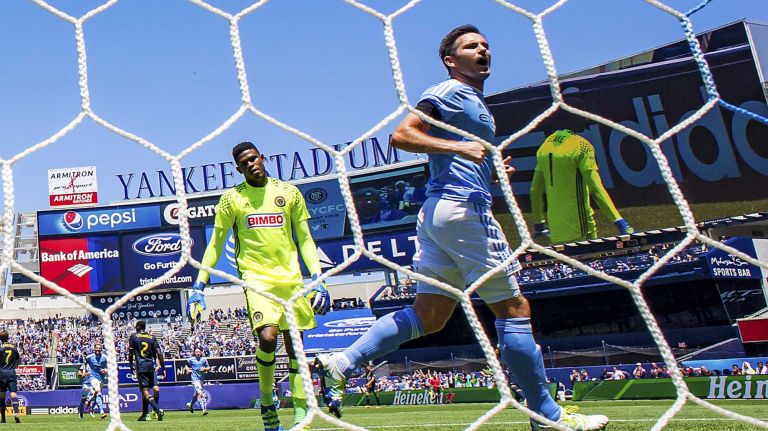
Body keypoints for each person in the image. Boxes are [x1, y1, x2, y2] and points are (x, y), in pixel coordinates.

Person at [313, 25, 608, 431]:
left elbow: (455, 160)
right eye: (472, 46)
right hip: (462, 213)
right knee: (513, 306)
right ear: (451, 60)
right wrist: (460, 147)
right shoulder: (451, 92)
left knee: (430, 315)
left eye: (486, 44)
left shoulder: (473, 104)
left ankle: (342, 362)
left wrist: (487, 167)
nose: (483, 49)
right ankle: (547, 416)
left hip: (438, 215)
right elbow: (402, 135)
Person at [187, 141, 331, 431]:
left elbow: (304, 238)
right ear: (238, 169)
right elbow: (215, 243)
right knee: (267, 337)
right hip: (256, 279)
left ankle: (302, 410)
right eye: (244, 163)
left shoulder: (288, 192)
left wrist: (317, 278)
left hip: (291, 280)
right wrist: (199, 284)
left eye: (254, 158)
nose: (251, 164)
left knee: (297, 348)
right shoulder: (232, 200)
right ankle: (268, 402)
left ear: (262, 158)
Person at [529, 95, 633, 244]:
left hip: (556, 229)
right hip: (581, 227)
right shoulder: (581, 145)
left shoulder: (545, 146)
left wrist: (539, 224)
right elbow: (595, 189)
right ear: (574, 116)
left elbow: (535, 190)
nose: (587, 119)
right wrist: (620, 222)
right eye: (583, 114)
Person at [128, 320, 165, 422]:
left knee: (145, 391)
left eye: (136, 326)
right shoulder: (152, 337)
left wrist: (131, 365)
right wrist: (163, 367)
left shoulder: (134, 337)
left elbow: (130, 353)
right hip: (151, 366)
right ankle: (145, 414)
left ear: (139, 326)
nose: (135, 327)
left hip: (141, 366)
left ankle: (157, 410)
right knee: (156, 389)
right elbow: (159, 354)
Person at [0, 330, 21, 423]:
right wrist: (12, 367)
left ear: (0, 338)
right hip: (12, 373)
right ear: (8, 337)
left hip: (1, 374)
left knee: (2, 396)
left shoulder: (0, 348)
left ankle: (3, 419)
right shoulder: (14, 348)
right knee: (13, 394)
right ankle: (16, 412)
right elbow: (18, 361)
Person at [84, 344, 109, 419]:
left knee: (97, 395)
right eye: (96, 348)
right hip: (93, 378)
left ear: (101, 349)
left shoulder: (105, 357)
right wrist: (84, 371)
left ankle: (90, 403)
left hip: (101, 379)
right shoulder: (89, 357)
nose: (98, 350)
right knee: (98, 392)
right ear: (94, 349)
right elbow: (85, 363)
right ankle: (102, 412)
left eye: (99, 348)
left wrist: (105, 370)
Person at [185, 348, 211, 415]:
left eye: (199, 352)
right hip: (194, 379)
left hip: (201, 379)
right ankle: (203, 410)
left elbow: (209, 368)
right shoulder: (191, 359)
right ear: (194, 353)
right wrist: (188, 370)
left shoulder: (204, 359)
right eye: (197, 352)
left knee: (196, 394)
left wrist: (204, 369)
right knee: (200, 393)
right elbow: (186, 365)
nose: (198, 353)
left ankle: (190, 404)